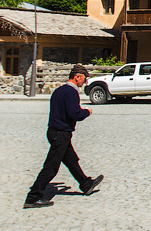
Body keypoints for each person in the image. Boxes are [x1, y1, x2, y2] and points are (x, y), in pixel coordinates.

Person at [24, 64, 104, 208]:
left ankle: (86, 184)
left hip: (55, 131)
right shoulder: (71, 93)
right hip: (61, 134)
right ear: (77, 77)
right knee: (51, 167)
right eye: (84, 79)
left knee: (71, 160)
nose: (84, 82)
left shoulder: (59, 90)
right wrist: (87, 112)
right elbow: (74, 114)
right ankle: (33, 197)